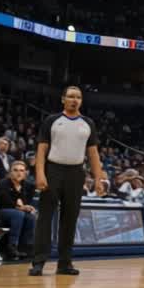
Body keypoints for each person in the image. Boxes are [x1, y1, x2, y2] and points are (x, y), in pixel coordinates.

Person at [31, 85, 105, 277]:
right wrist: (40, 173)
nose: (75, 100)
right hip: (53, 169)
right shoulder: (52, 120)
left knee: (70, 219)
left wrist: (98, 178)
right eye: (71, 96)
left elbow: (93, 153)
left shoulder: (88, 123)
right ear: (63, 99)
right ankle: (38, 262)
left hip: (76, 173)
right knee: (45, 217)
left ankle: (64, 263)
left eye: (78, 97)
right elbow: (41, 149)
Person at [0, 160, 37, 260]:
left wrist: (26, 207)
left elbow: (26, 202)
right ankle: (12, 246)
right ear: (10, 172)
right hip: (1, 211)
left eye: (22, 170)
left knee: (30, 217)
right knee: (18, 214)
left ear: (25, 173)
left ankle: (26, 247)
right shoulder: (2, 183)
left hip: (17, 212)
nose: (19, 173)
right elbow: (5, 202)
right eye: (16, 170)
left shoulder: (29, 186)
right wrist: (21, 207)